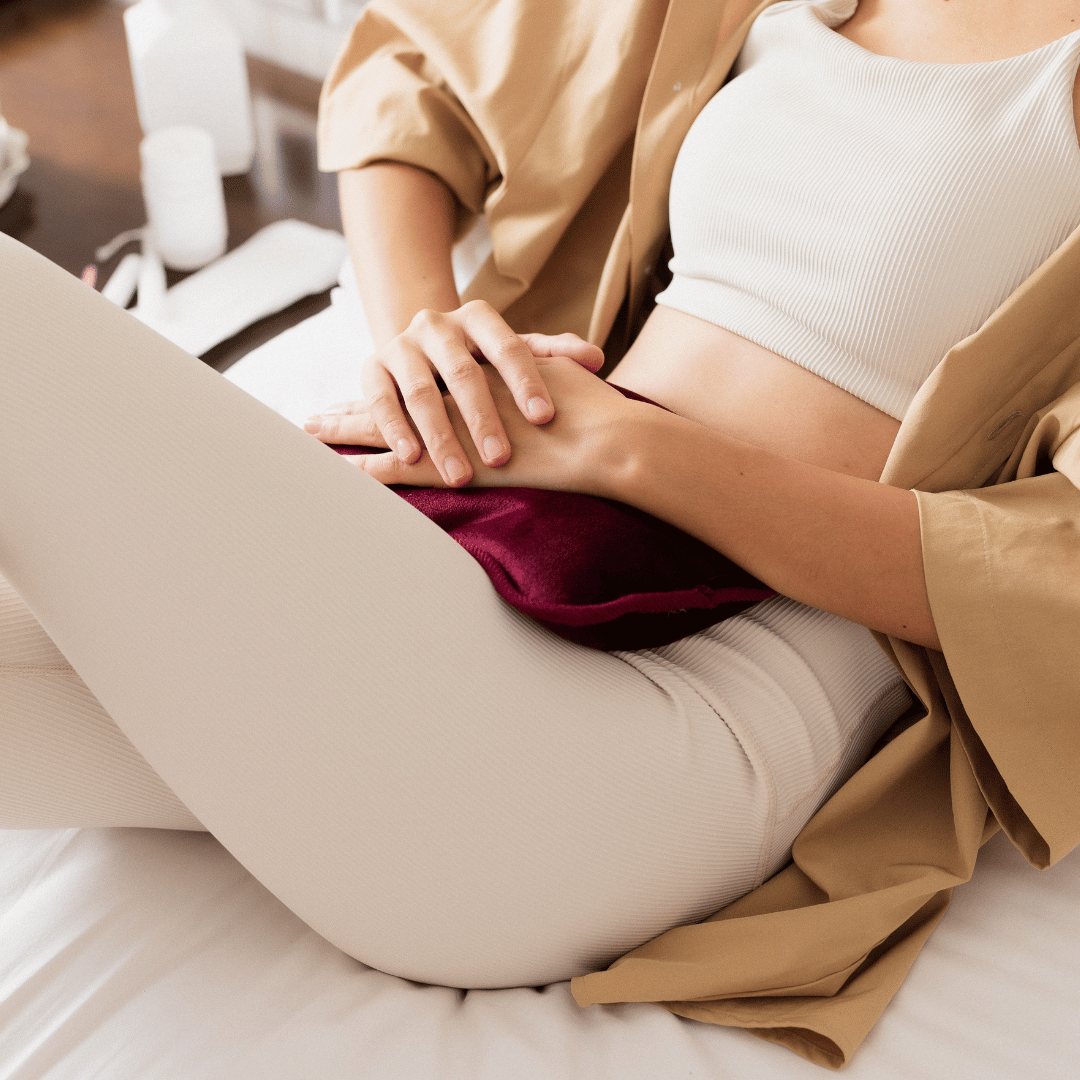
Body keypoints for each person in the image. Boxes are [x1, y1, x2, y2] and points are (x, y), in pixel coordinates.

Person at [1, 0, 1079, 1068]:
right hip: (496, 539)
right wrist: (428, 343)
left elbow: (1055, 585)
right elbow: (417, 62)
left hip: (688, 705)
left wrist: (631, 451)